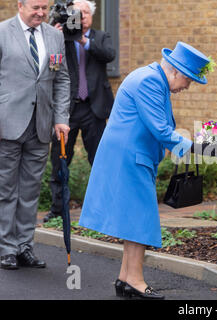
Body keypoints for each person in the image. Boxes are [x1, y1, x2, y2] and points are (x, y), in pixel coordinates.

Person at [78, 42, 217, 300]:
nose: (187, 87)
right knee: (142, 219)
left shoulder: (150, 77)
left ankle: (126, 277)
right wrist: (211, 150)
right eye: (189, 80)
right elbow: (162, 131)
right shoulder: (150, 82)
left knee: (136, 218)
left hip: (131, 157)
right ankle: (135, 280)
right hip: (129, 159)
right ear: (175, 72)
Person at [0, 0, 70, 270]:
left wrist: (61, 118)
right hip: (7, 123)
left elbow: (62, 79)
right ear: (20, 5)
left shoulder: (54, 36)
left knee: (30, 191)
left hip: (41, 125)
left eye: (45, 7)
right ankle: (5, 248)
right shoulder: (3, 32)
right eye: (35, 7)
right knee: (6, 190)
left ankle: (24, 246)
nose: (41, 13)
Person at [44, 0, 115, 223]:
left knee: (100, 161)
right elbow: (48, 64)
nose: (81, 17)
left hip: (94, 110)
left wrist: (82, 40)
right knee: (60, 159)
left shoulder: (100, 37)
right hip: (66, 110)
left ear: (91, 16)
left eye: (84, 13)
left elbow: (108, 55)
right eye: (76, 13)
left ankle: (103, 210)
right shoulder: (61, 37)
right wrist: (53, 36)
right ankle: (57, 210)